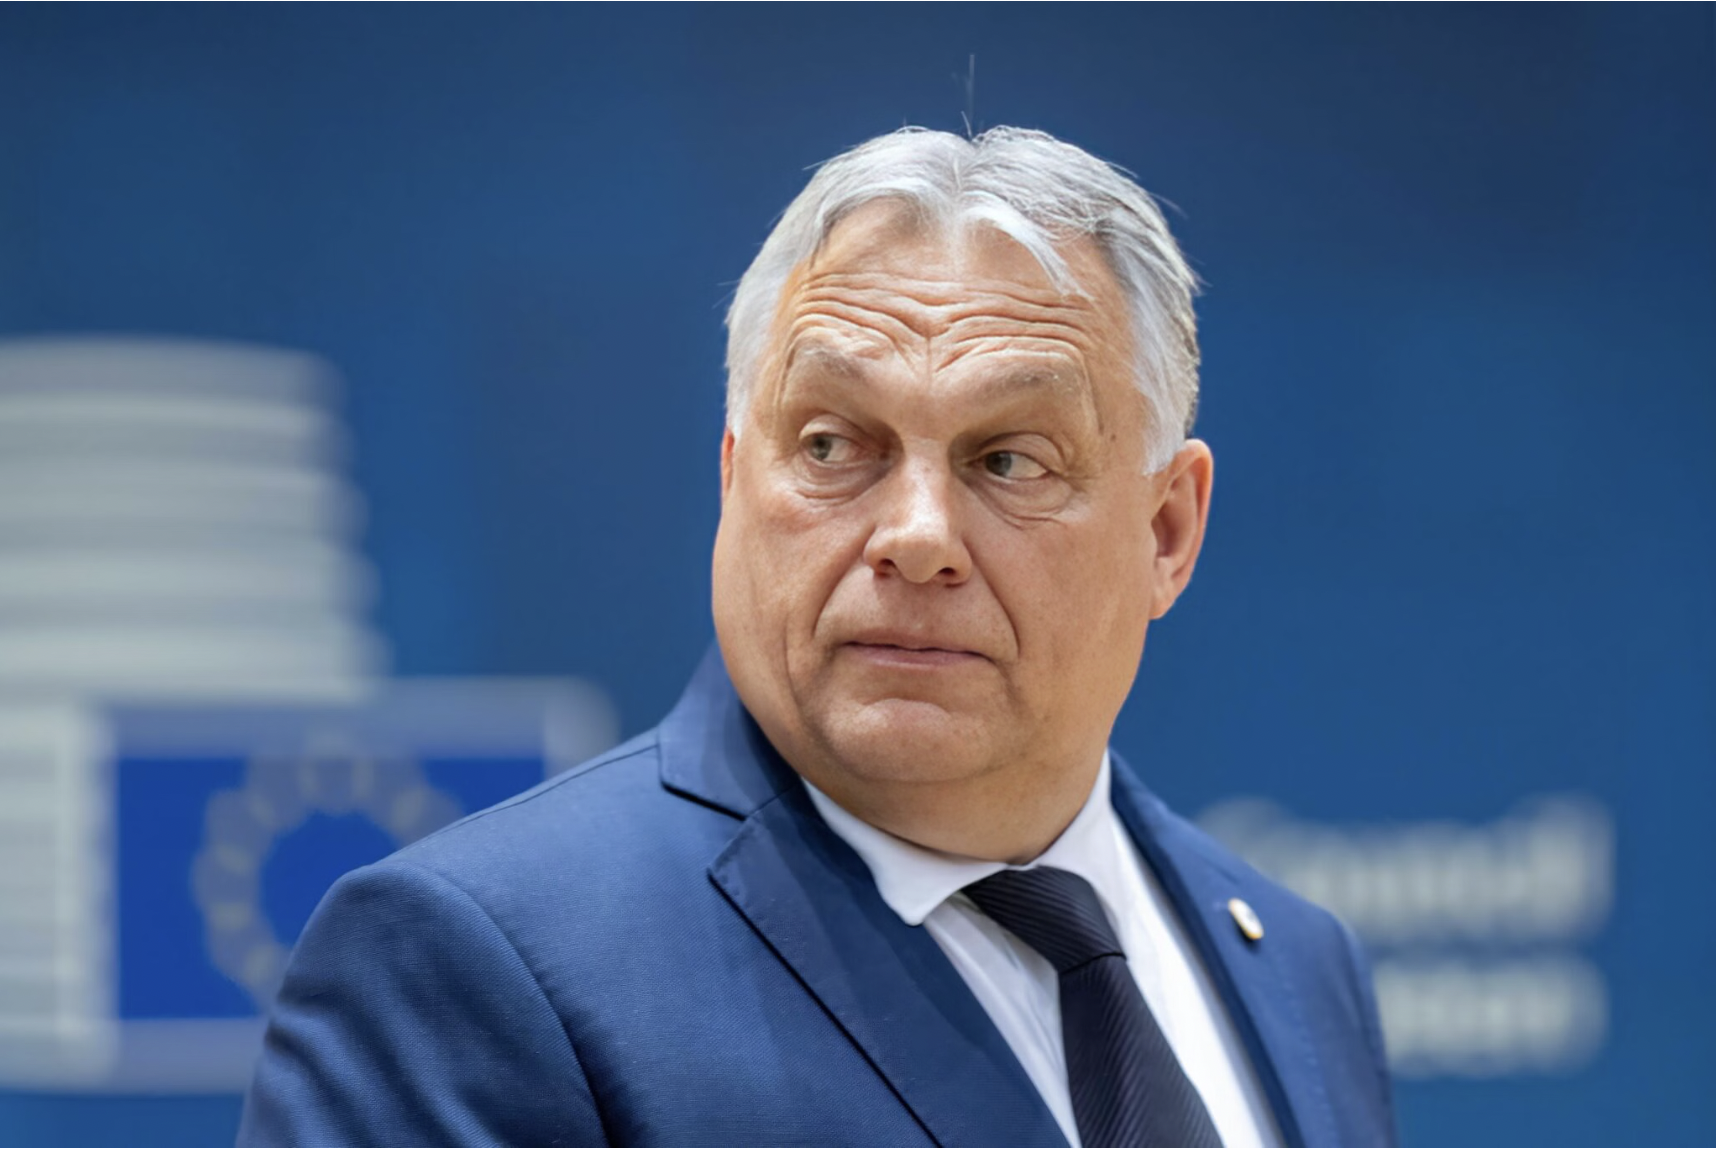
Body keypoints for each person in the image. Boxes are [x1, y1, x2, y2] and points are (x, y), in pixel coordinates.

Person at [240, 127, 1397, 1148]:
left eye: (1009, 460)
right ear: (734, 479)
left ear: (1166, 530)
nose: (916, 536)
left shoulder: (1297, 963)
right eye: (834, 446)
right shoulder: (469, 966)